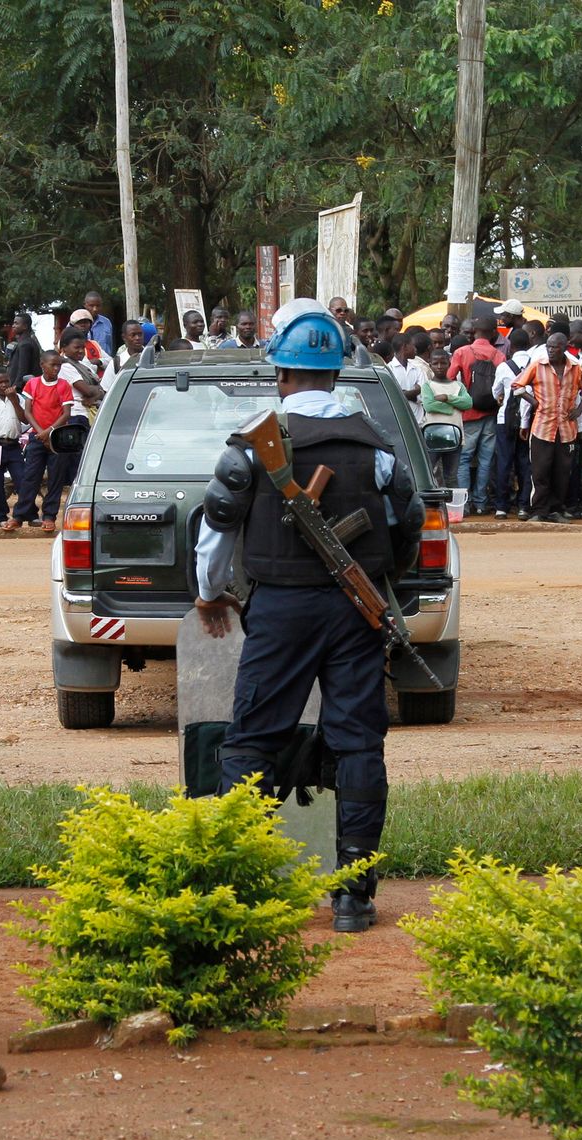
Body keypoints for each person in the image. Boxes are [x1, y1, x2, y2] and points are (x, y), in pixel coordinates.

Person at [195, 299, 424, 933]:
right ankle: (353, 895)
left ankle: (240, 887)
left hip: (281, 610)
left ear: (281, 374)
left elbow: (215, 536)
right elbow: (407, 529)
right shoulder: (377, 449)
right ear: (338, 372)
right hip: (356, 613)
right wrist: (378, 585)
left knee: (251, 741)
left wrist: (210, 594)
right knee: (358, 744)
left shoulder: (249, 449)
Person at [513, 332, 582, 523]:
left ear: (565, 347)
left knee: (562, 472)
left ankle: (556, 509)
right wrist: (533, 402)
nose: (550, 350)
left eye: (555, 347)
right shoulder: (537, 365)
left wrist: (579, 409)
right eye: (548, 346)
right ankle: (539, 510)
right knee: (540, 471)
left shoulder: (575, 368)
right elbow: (517, 385)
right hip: (542, 427)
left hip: (566, 430)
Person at [15, 349, 77, 531]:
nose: (56, 368)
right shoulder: (32, 384)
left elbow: (66, 414)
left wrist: (49, 431)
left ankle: (49, 515)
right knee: (30, 476)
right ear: (42, 365)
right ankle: (20, 514)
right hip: (37, 436)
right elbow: (27, 412)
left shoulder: (63, 385)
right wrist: (41, 432)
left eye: (58, 365)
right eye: (53, 365)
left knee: (55, 478)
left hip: (57, 438)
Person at [447, 319, 500, 508]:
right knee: (486, 459)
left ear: (475, 332)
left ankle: (464, 504)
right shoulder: (499, 355)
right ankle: (480, 503)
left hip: (468, 414)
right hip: (491, 413)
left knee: (464, 459)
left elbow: (449, 379)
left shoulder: (462, 352)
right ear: (492, 333)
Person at [490, 330, 535, 519]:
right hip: (529, 421)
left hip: (505, 420)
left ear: (511, 346)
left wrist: (502, 397)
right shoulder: (535, 366)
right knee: (525, 462)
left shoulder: (503, 367)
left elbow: (495, 392)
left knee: (504, 462)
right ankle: (524, 505)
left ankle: (501, 506)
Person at [418, 348, 471, 486]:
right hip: (432, 436)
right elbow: (429, 405)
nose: (440, 367)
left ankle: (452, 506)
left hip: (455, 437)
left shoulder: (458, 386)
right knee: (428, 473)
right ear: (430, 364)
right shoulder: (427, 385)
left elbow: (468, 403)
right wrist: (453, 407)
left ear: (449, 363)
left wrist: (447, 397)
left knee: (451, 477)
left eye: (443, 363)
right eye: (436, 363)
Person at [0, 368, 26, 531]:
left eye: (6, 381)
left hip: (13, 444)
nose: (3, 385)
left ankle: (26, 513)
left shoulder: (18, 398)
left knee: (22, 478)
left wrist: (14, 399)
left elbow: (24, 418)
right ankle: (0, 516)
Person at [6, 312, 44, 386]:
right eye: (13, 323)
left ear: (25, 326)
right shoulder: (25, 342)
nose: (13, 326)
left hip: (23, 389)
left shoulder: (25, 345)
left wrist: (15, 387)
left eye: (16, 323)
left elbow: (23, 370)